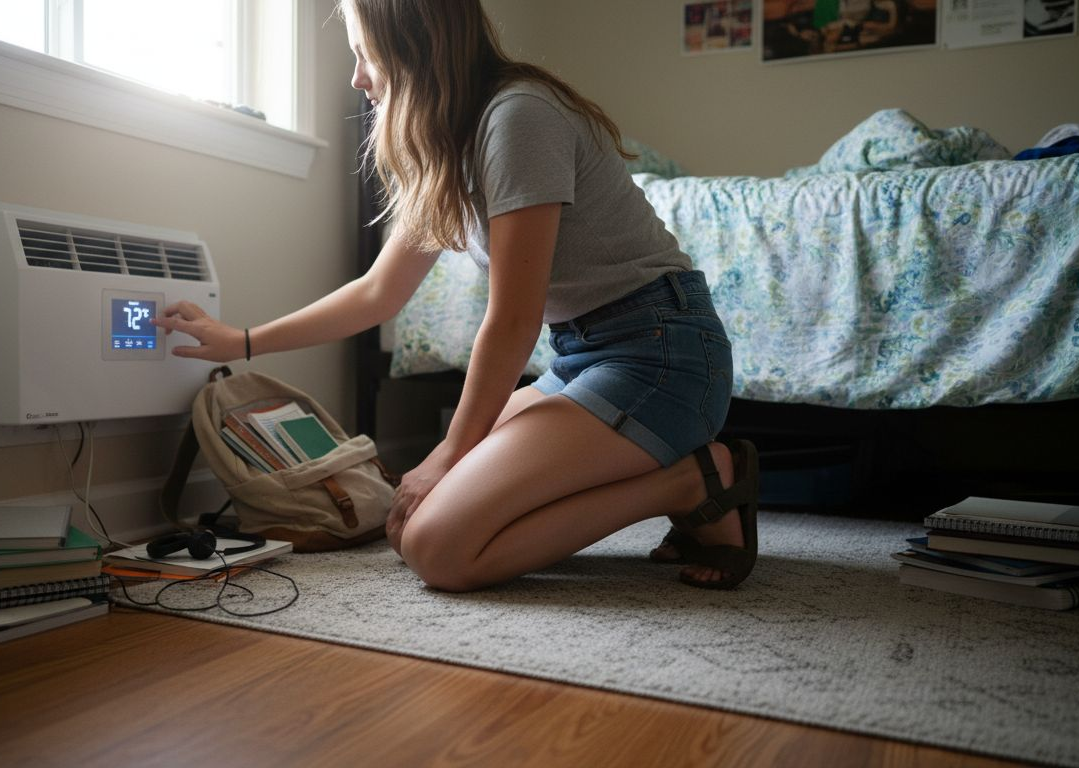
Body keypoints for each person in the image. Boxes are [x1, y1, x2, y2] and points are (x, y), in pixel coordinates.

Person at [153, 0, 759, 592]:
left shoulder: (519, 116)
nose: (358, 77)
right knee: (409, 526)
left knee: (439, 551)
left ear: (411, 46)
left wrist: (448, 453)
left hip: (662, 359)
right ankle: (676, 482)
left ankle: (691, 482)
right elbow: (377, 293)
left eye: (365, 54)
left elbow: (513, 319)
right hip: (582, 358)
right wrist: (242, 341)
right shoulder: (449, 144)